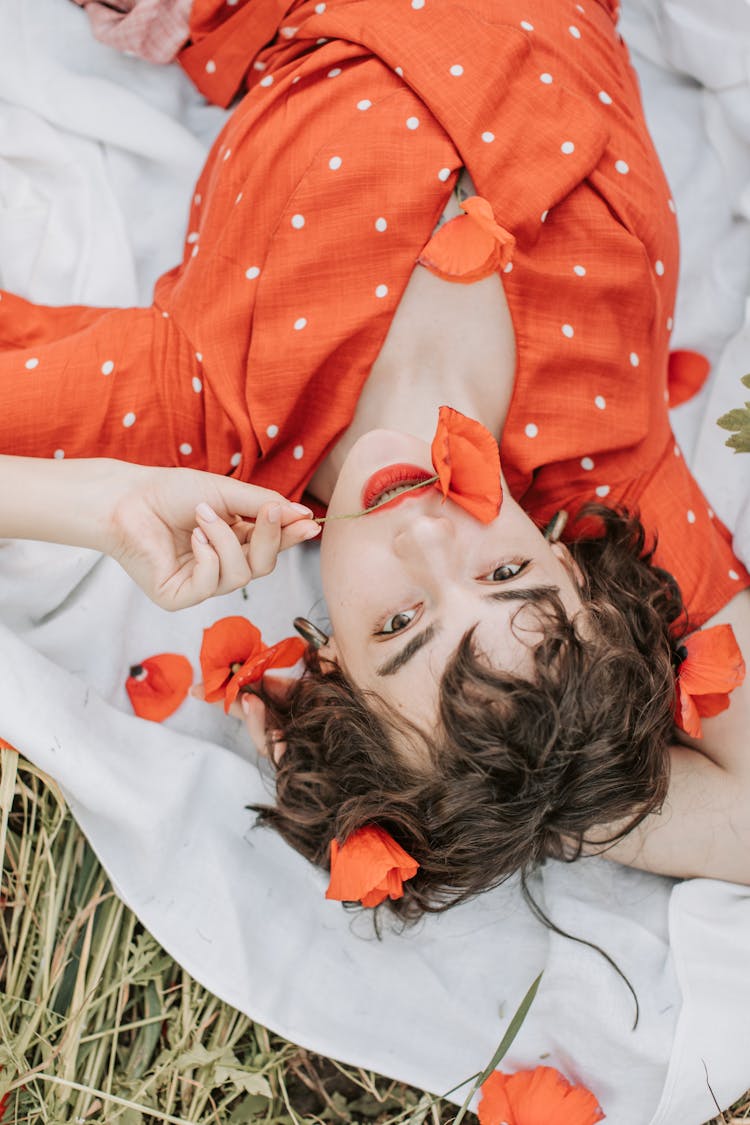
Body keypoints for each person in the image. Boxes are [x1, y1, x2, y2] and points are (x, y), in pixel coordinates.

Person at [2, 0, 749, 914]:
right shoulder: (611, 465)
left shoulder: (209, 406)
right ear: (572, 568)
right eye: (510, 571)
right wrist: (551, 780)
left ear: (329, 668)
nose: (430, 535)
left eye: (399, 626)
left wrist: (103, 506)